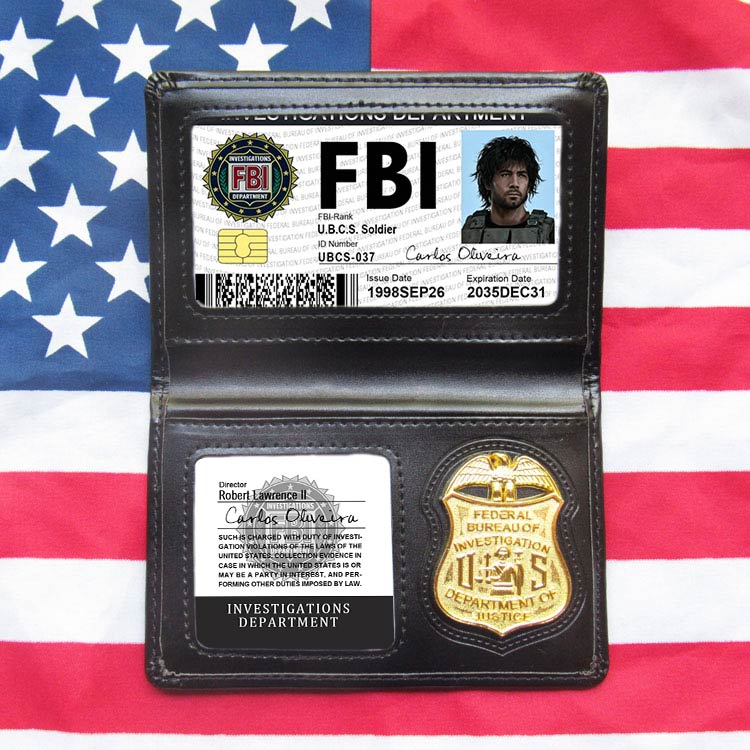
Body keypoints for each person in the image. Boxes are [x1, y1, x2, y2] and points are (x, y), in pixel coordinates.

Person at [462, 136, 554, 244]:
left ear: (529, 184)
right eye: (505, 174)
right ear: (488, 182)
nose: (514, 184)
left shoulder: (549, 232)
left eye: (521, 175)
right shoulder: (469, 233)